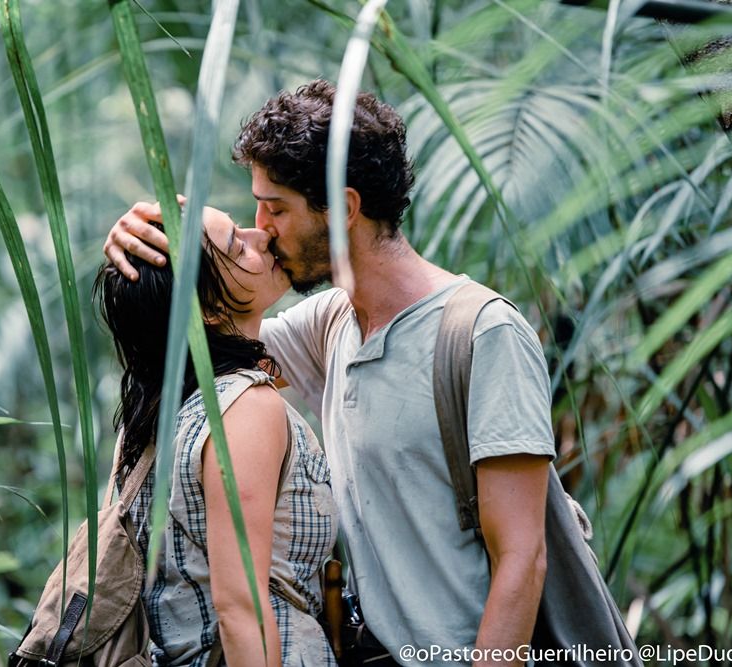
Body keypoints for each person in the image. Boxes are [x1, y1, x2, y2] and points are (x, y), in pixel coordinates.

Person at [104, 80, 555, 666]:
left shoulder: (481, 334)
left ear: (342, 209)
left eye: (277, 207)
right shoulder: (332, 323)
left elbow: (524, 558)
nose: (261, 228)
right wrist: (141, 251)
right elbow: (194, 339)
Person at [94, 207, 339, 667]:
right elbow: (240, 610)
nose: (261, 234)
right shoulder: (247, 406)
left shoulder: (151, 413)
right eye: (236, 244)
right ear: (208, 309)